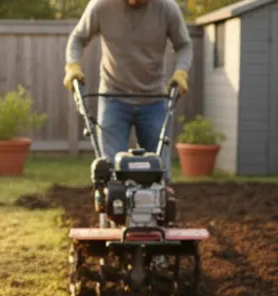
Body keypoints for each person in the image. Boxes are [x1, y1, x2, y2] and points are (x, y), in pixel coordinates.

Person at [64, 0, 192, 174]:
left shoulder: (167, 8)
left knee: (159, 168)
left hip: (154, 98)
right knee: (109, 169)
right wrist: (73, 66)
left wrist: (181, 72)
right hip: (113, 97)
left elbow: (184, 45)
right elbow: (77, 38)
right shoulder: (102, 6)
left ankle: (160, 198)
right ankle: (109, 200)